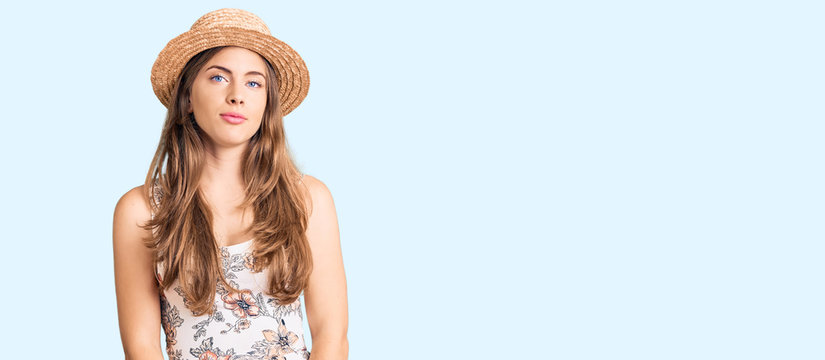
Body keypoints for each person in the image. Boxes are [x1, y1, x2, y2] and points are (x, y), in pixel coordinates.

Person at [112, 8, 348, 360]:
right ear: (188, 97)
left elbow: (332, 334)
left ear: (267, 103)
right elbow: (141, 347)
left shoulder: (308, 199)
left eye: (254, 82)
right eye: (218, 78)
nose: (237, 95)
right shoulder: (142, 210)